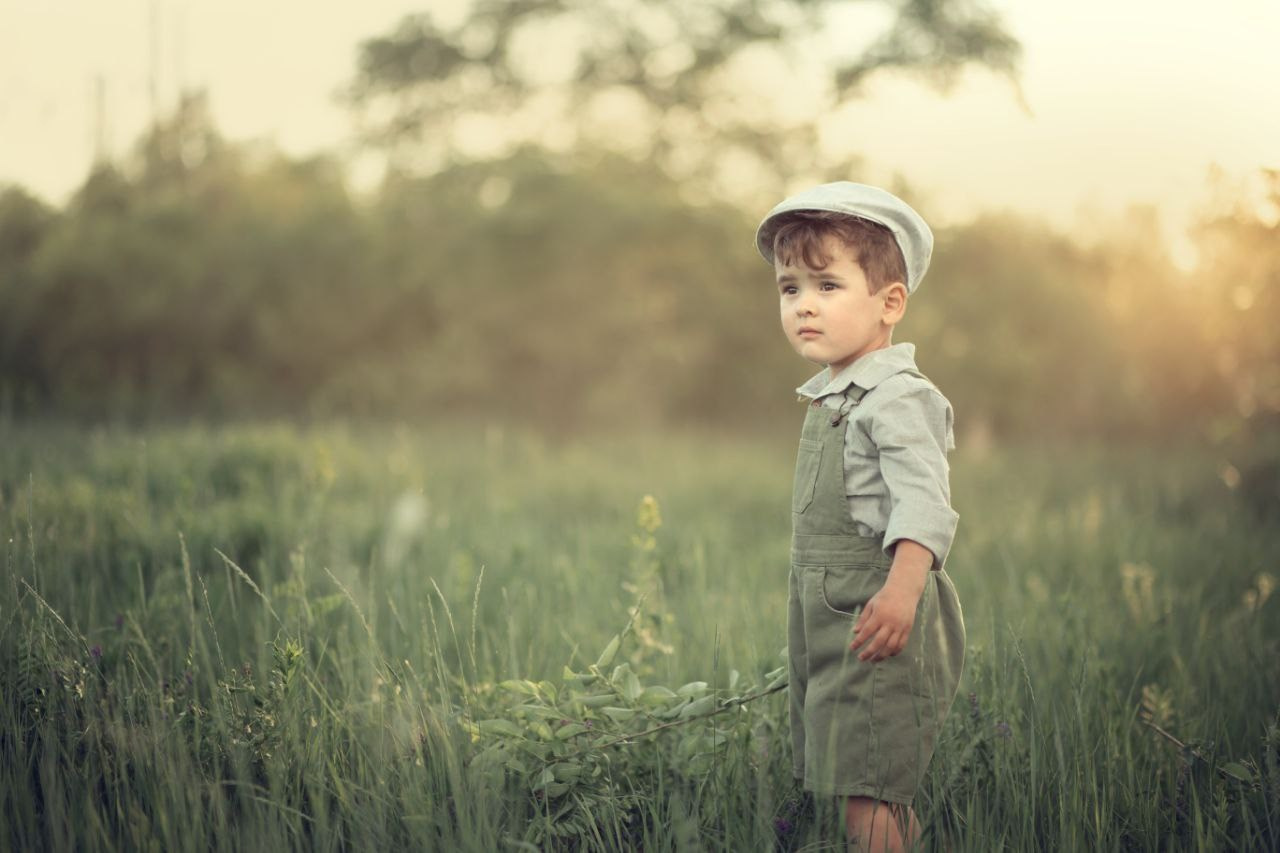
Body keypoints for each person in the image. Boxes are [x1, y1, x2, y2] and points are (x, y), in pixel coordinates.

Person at [754, 182, 966, 852]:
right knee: (864, 786)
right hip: (831, 622)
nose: (804, 305)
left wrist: (902, 591)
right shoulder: (834, 395)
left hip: (878, 619)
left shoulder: (896, 398)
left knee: (869, 796)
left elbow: (925, 502)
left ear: (889, 302)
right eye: (790, 288)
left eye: (826, 284)